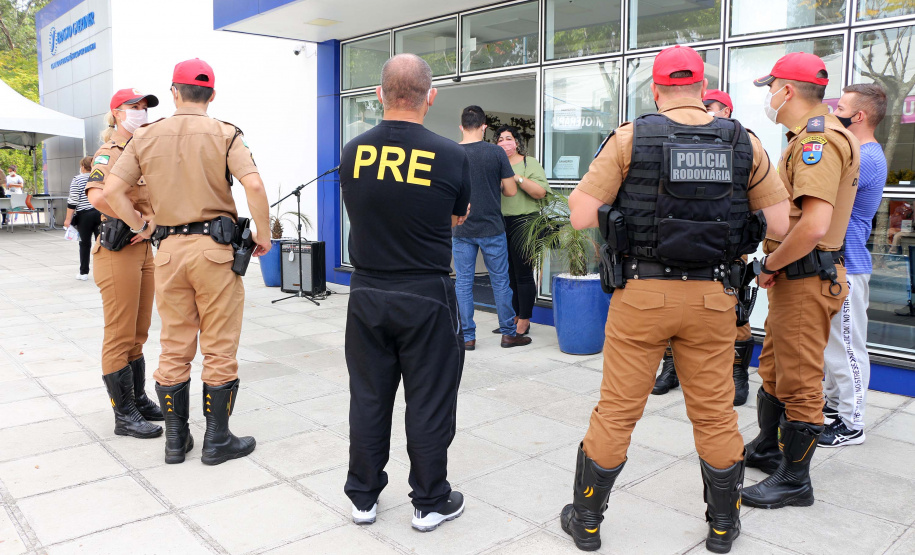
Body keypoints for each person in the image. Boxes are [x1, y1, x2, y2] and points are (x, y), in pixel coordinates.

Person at [560, 45, 790, 553]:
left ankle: (587, 521)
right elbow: (778, 224)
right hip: (713, 297)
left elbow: (580, 214)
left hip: (641, 296)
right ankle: (724, 527)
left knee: (618, 410)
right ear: (702, 87)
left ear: (656, 89)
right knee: (714, 415)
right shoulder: (743, 142)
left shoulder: (631, 136)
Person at [102, 59, 271, 466]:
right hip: (215, 253)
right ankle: (218, 440)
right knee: (219, 346)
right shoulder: (227, 134)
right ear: (211, 95)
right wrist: (263, 234)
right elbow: (253, 184)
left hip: (169, 252)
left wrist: (142, 224)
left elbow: (111, 190)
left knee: (175, 346)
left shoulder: (145, 136)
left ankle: (176, 441)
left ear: (174, 92)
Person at [340, 53, 470, 532]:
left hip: (367, 292)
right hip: (427, 294)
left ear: (379, 94)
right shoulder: (453, 154)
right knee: (429, 400)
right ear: (429, 97)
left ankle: (363, 496)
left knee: (369, 398)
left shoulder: (353, 151)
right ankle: (431, 500)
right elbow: (457, 217)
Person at [741, 53, 859, 510]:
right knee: (774, 369)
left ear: (786, 90)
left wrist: (769, 266)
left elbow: (812, 226)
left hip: (807, 277)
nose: (768, 97)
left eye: (770, 88)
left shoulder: (819, 141)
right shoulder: (802, 139)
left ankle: (795, 480)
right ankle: (770, 449)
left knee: (801, 381)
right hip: (797, 276)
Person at [652, 88, 757, 406]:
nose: (704, 113)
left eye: (709, 107)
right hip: (682, 237)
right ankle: (672, 368)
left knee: (734, 307)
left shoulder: (743, 142)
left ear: (726, 110)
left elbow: (759, 193)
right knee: (674, 300)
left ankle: (737, 375)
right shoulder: (679, 138)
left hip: (727, 242)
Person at [85, 89, 164, 441]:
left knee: (139, 331)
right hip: (118, 250)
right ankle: (124, 415)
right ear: (117, 113)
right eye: (135, 107)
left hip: (143, 249)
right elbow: (98, 196)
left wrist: (151, 225)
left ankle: (138, 399)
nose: (142, 112)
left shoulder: (143, 150)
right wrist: (138, 223)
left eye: (145, 108)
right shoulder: (110, 152)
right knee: (119, 333)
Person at [820, 84, 888, 447]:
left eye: (840, 106)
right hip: (838, 262)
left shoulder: (866, 157)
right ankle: (835, 408)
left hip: (849, 264)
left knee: (846, 345)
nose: (834, 111)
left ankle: (852, 423)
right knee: (832, 345)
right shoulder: (857, 152)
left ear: (858, 116)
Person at [454, 106, 531, 350]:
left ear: (461, 127)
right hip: (492, 228)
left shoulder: (450, 152)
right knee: (500, 282)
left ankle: (467, 337)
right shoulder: (496, 153)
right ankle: (509, 334)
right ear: (484, 127)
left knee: (463, 283)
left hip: (461, 228)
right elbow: (510, 190)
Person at [491, 125, 552, 337]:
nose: (504, 143)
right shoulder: (494, 163)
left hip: (525, 221)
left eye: (508, 138)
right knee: (508, 274)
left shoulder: (529, 163)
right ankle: (515, 316)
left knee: (523, 273)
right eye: (500, 139)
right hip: (500, 223)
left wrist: (515, 177)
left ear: (517, 142)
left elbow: (540, 192)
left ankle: (524, 319)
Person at [65, 156, 102, 281]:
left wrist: (68, 219)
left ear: (82, 167)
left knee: (85, 244)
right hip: (100, 213)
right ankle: (102, 271)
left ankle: (84, 272)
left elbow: (73, 200)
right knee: (101, 243)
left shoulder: (77, 179)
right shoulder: (100, 178)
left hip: (84, 215)